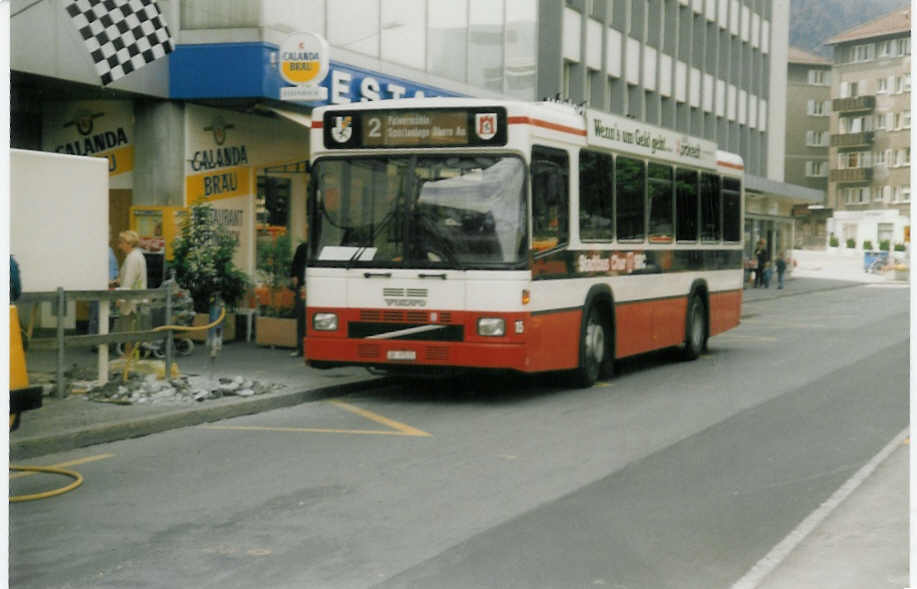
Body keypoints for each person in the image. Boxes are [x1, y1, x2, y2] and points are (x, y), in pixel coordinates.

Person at [114, 230, 148, 338]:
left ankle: (128, 354)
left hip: (131, 301)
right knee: (132, 330)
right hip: (136, 298)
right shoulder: (137, 255)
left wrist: (121, 298)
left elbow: (128, 281)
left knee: (129, 331)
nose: (119, 246)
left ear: (129, 243)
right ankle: (129, 353)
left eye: (121, 243)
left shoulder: (132, 258)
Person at [289, 240, 308, 358]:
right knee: (301, 317)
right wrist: (295, 277)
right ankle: (301, 348)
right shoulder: (303, 248)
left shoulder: (324, 248)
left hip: (319, 286)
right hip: (303, 287)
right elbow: (294, 265)